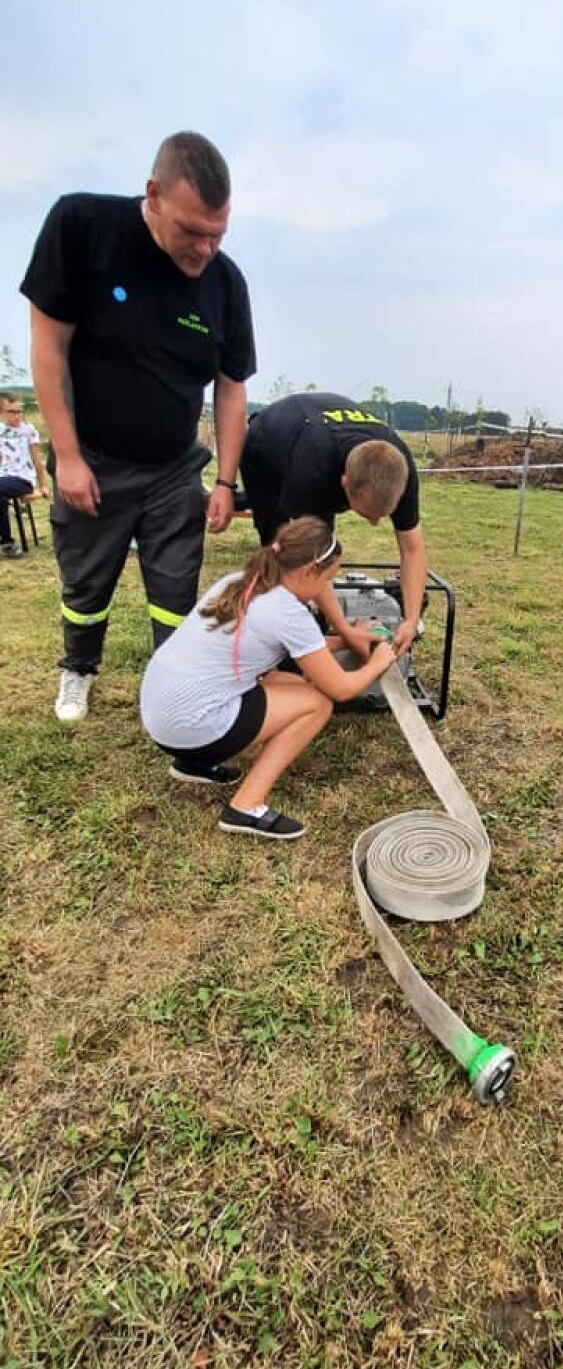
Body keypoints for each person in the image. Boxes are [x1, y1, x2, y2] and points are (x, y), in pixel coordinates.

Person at [20, 130, 256, 724]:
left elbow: (232, 389)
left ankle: (168, 686)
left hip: (175, 469)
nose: (204, 249)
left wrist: (225, 481)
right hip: (93, 458)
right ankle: (78, 669)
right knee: (86, 584)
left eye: (217, 235)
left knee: (177, 594)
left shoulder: (225, 284)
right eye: (192, 232)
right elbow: (49, 347)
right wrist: (68, 456)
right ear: (153, 195)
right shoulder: (82, 228)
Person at [139, 517, 396, 840]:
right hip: (192, 726)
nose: (327, 589)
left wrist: (347, 637)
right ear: (307, 572)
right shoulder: (288, 612)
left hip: (160, 719)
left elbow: (306, 651)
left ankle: (195, 764)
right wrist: (378, 663)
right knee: (316, 703)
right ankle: (246, 806)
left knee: (293, 686)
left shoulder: (242, 582)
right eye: (328, 578)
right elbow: (341, 688)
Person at [240, 392, 428, 656]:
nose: (375, 523)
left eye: (381, 515)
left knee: (318, 562)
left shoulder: (400, 468)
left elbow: (413, 548)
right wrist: (345, 629)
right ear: (345, 485)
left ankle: (320, 622)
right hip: (267, 447)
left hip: (321, 438)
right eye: (366, 514)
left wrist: (411, 619)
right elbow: (313, 557)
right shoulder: (312, 471)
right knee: (282, 552)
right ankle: (281, 631)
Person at [0, 396, 49, 558]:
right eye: (12, 412)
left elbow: (37, 461)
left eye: (20, 411)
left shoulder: (28, 430)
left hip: (22, 478)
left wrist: (43, 485)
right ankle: (6, 541)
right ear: (2, 412)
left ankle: (7, 542)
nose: (17, 415)